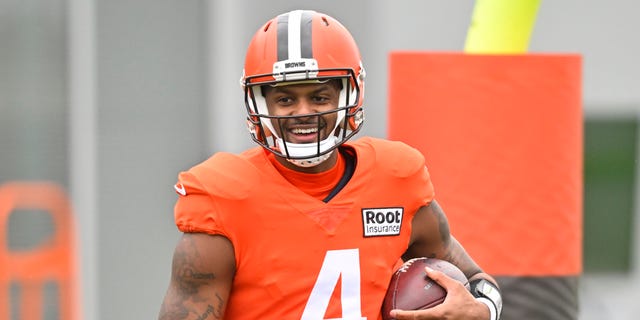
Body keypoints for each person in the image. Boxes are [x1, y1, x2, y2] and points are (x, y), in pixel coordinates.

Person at [158, 9, 502, 320]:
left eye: (320, 96)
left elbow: (476, 279)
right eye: (285, 99)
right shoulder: (226, 197)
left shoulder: (395, 179)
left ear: (349, 96)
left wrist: (481, 310)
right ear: (259, 103)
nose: (303, 112)